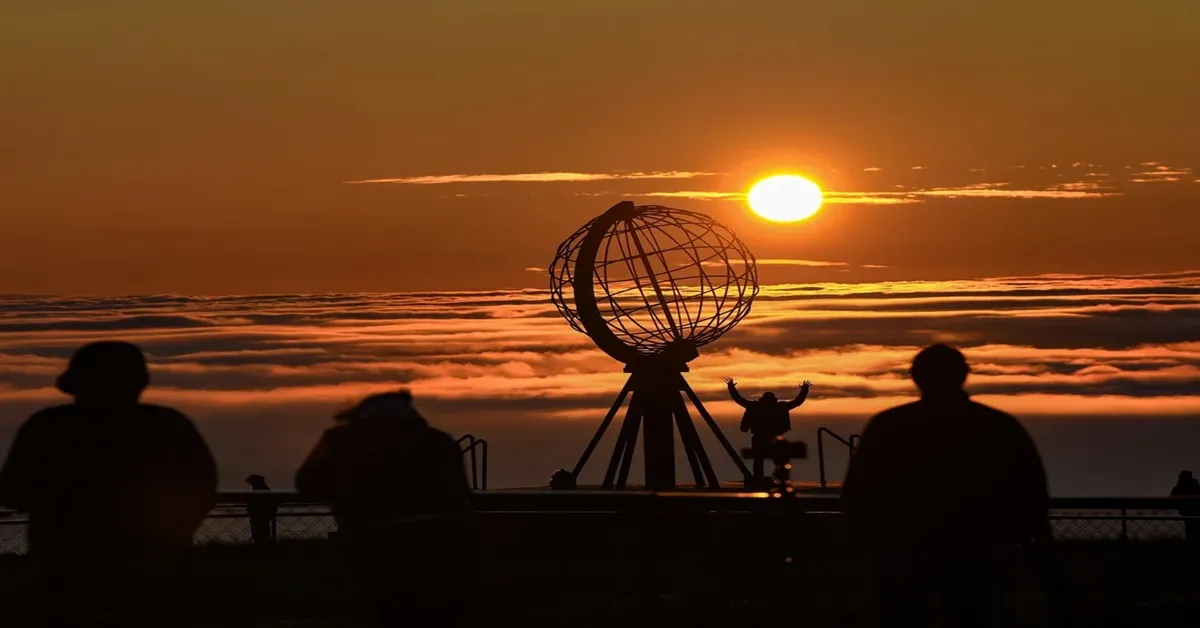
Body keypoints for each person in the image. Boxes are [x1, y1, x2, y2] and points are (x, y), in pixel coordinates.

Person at [0, 341, 218, 628]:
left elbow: (13, 491)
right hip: (151, 567)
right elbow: (201, 488)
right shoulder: (167, 426)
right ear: (139, 381)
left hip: (64, 566)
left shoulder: (47, 427)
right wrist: (170, 534)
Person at [841, 344, 1050, 628]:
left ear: (915, 377)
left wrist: (860, 547)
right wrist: (1035, 554)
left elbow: (858, 491)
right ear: (964, 375)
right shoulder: (997, 426)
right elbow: (1032, 492)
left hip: (904, 551)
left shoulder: (888, 425)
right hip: (978, 551)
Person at [295, 390, 476, 627]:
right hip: (448, 542)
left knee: (384, 610)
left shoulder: (345, 440)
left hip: (377, 543)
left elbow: (307, 482)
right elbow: (462, 493)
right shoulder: (440, 441)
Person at [725, 377, 812, 482]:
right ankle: (779, 479)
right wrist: (804, 390)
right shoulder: (780, 406)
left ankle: (759, 478)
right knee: (777, 459)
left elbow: (739, 400)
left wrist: (731, 388)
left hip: (760, 436)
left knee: (759, 459)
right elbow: (797, 402)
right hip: (774, 436)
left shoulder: (755, 406)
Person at [245, 474, 277, 547]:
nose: (251, 485)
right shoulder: (264, 490)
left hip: (259, 516)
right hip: (261, 516)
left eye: (251, 483)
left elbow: (255, 503)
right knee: (262, 535)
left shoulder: (260, 491)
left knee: (260, 535)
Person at [1171, 470, 1200, 542]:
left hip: (1187, 512)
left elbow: (1171, 501)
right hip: (1193, 513)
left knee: (1190, 529)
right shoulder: (1196, 487)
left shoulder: (1179, 488)